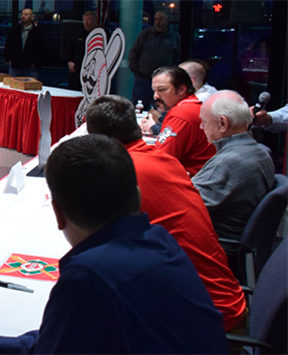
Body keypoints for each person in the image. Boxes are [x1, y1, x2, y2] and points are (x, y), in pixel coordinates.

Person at [0, 135, 228, 354]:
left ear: (58, 213)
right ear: (137, 196)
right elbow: (69, 341)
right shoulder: (160, 241)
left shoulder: (91, 276)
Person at [84, 95, 247, 331]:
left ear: (98, 141)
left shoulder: (123, 172)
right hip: (221, 300)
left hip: (205, 323)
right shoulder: (164, 160)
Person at [193, 90, 276, 243]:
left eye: (204, 122)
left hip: (214, 244)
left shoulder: (227, 162)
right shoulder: (260, 152)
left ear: (222, 123)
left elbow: (187, 205)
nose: (200, 127)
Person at [139, 66, 214, 176]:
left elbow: (161, 159)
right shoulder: (192, 105)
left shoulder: (181, 114)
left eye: (162, 90)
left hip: (192, 182)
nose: (156, 96)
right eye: (154, 91)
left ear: (181, 90)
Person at [129, 10, 180, 108]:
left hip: (163, 80)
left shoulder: (174, 37)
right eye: (156, 19)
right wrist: (136, 71)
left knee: (160, 106)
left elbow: (176, 57)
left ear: (167, 21)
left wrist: (171, 74)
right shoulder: (146, 34)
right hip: (143, 78)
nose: (157, 22)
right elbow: (134, 52)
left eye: (160, 19)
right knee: (139, 106)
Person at [4, 8, 45, 78]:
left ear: (32, 17)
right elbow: (8, 45)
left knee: (31, 88)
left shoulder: (37, 32)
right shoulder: (15, 30)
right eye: (22, 14)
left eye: (26, 14)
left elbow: (42, 49)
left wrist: (36, 63)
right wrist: (8, 60)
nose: (23, 16)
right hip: (15, 66)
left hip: (31, 67)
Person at [64, 11, 96, 90]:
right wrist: (69, 61)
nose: (86, 23)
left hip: (93, 71)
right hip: (77, 70)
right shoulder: (78, 35)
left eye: (88, 20)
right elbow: (68, 50)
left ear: (94, 21)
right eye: (84, 21)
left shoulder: (100, 35)